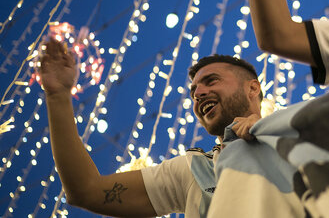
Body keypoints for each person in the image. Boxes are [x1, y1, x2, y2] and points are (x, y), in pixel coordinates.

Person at [39, 38, 261, 217]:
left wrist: (270, 131)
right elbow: (87, 191)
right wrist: (58, 96)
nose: (199, 94)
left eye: (212, 81)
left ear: (253, 88)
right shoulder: (193, 170)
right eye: (193, 92)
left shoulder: (290, 133)